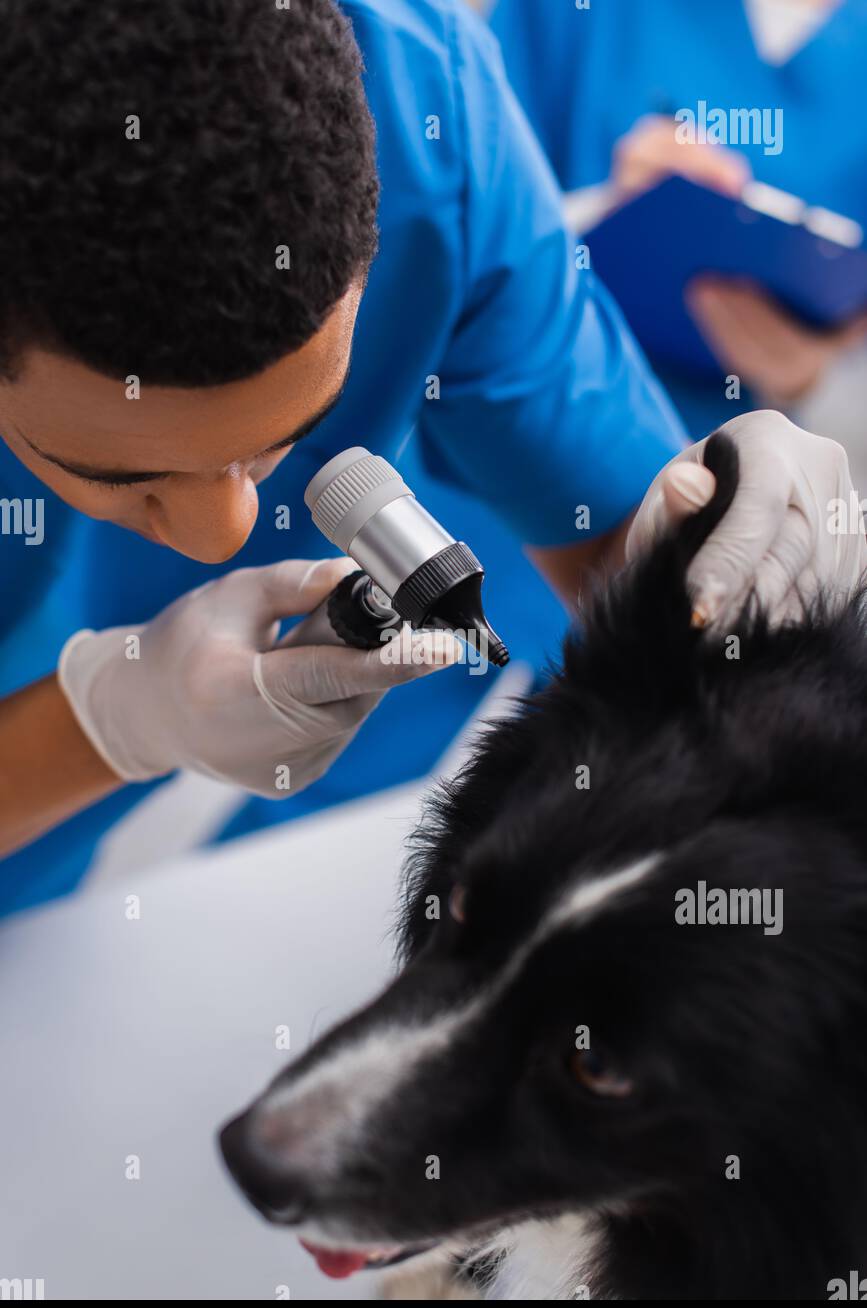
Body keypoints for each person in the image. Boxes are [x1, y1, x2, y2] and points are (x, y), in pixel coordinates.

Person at [0, 0, 862, 915]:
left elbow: (636, 567)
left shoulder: (430, 132)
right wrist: (109, 721)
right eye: (120, 474)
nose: (224, 537)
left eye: (283, 441)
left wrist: (735, 549)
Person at [488, 0, 867, 461]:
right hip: (514, 449)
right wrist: (605, 208)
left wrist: (806, 377)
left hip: (730, 478)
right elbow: (463, 220)